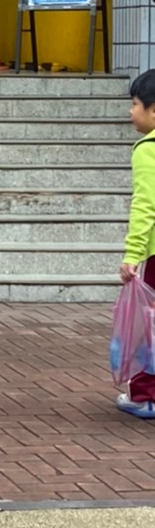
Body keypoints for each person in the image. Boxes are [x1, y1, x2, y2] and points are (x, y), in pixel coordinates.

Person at [117, 70, 155, 418]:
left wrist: (132, 255)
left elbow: (145, 206)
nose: (131, 112)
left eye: (134, 104)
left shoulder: (148, 150)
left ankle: (145, 396)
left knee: (150, 326)